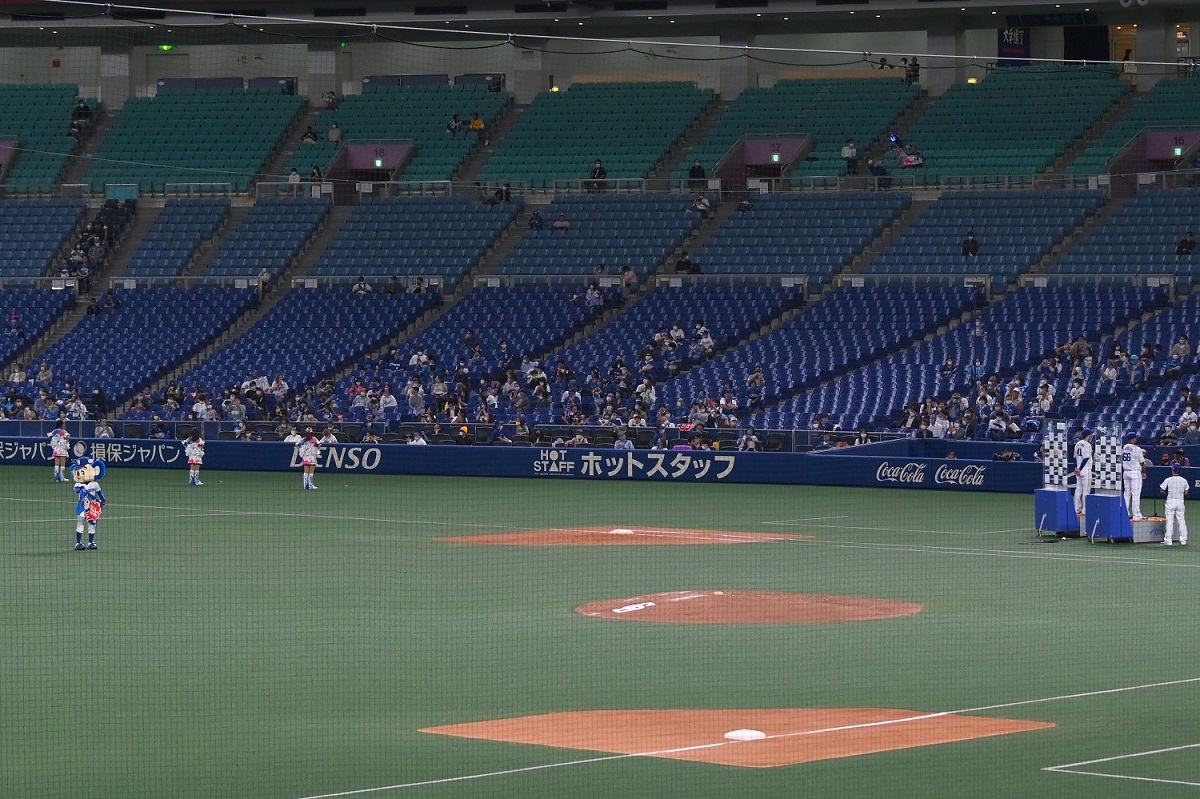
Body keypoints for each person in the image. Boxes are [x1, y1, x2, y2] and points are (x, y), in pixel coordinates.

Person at [70, 457, 106, 551]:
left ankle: (91, 542)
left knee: (92, 525)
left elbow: (99, 493)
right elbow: (76, 490)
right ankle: (78, 543)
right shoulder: (79, 484)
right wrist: (81, 489)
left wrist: (103, 500)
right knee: (80, 524)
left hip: (92, 508)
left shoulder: (95, 484)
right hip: (82, 508)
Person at [1120, 432, 1150, 520]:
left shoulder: (1124, 447)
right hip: (1134, 473)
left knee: (1127, 494)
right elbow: (1142, 463)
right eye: (1135, 438)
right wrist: (1144, 467)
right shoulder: (1137, 449)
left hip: (1126, 472)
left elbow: (1122, 461)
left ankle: (1125, 513)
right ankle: (1137, 515)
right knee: (1136, 494)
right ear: (1133, 439)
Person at [1160, 462, 1189, 546]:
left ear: (1173, 470)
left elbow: (1161, 490)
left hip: (1170, 502)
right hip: (1180, 502)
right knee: (1181, 521)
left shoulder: (1168, 479)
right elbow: (1186, 492)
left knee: (1169, 521)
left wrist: (1168, 492)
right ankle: (1183, 540)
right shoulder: (1184, 480)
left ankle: (1168, 541)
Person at [1073, 427, 1093, 516]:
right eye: (1091, 434)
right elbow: (1086, 458)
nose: (1091, 436)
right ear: (1088, 435)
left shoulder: (1077, 444)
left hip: (1078, 469)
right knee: (1086, 490)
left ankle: (1076, 508)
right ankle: (1085, 510)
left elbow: (1074, 458)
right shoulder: (1087, 445)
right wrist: (1080, 468)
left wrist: (1076, 468)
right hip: (1085, 469)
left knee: (1078, 489)